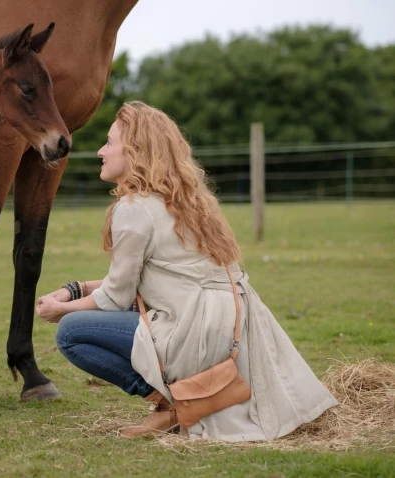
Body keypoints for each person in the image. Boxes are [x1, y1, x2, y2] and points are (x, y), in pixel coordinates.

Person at [36, 101, 337, 440]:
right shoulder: (186, 200)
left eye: (109, 142)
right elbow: (144, 280)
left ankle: (169, 406)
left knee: (72, 333)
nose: (100, 152)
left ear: (134, 150)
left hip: (194, 330)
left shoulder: (134, 208)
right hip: (231, 327)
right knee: (90, 318)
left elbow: (118, 297)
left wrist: (63, 309)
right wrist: (77, 288)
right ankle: (174, 402)